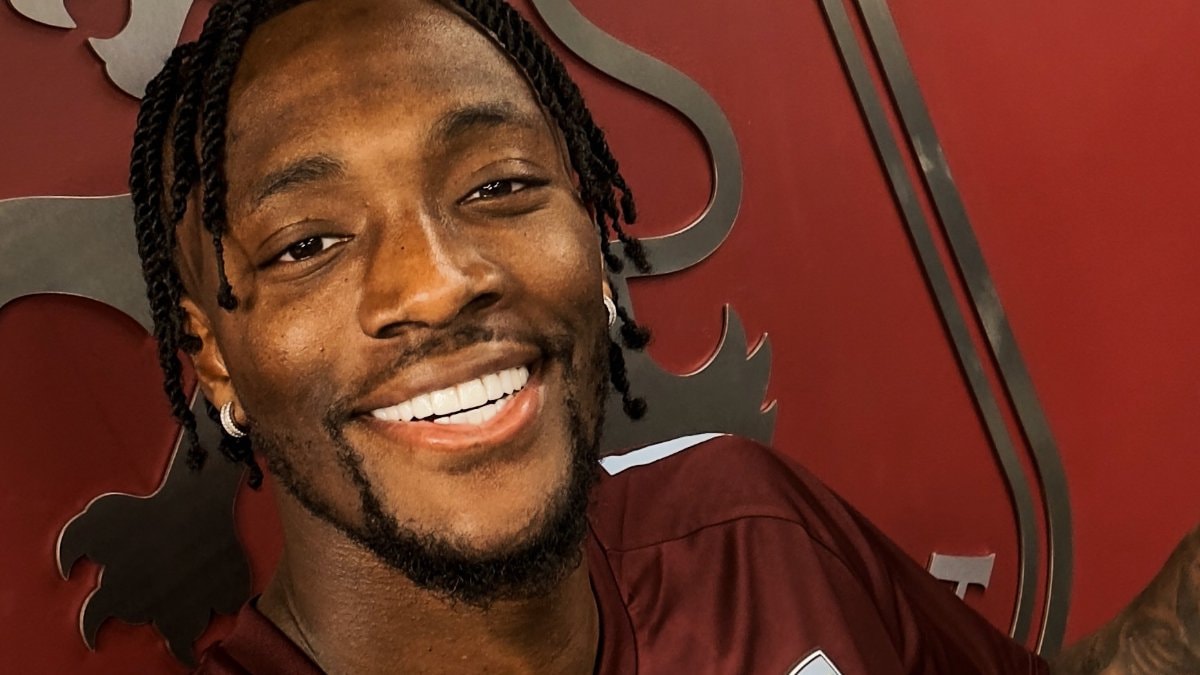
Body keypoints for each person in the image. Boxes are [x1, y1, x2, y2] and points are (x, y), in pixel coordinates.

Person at [127, 0, 1200, 672]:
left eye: (498, 185)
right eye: (308, 244)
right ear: (214, 354)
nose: (440, 282)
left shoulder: (746, 527)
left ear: (591, 229)